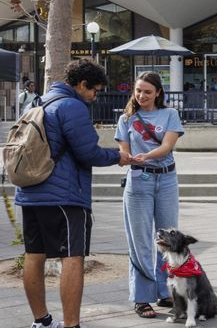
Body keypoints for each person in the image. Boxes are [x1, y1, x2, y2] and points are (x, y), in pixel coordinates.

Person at [16, 59, 131, 328]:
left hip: (31, 191)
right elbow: (88, 153)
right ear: (82, 85)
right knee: (72, 257)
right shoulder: (72, 106)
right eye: (94, 90)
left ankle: (41, 321)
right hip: (63, 196)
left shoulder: (39, 102)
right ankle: (71, 324)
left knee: (34, 255)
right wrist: (118, 156)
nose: (95, 96)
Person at [115, 72, 184, 319]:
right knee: (141, 241)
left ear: (158, 93)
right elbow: (123, 149)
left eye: (147, 91)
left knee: (167, 239)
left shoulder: (170, 114)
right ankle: (142, 298)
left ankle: (165, 290)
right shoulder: (126, 118)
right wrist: (125, 158)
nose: (141, 95)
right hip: (138, 182)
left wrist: (147, 155)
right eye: (138, 91)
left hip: (166, 179)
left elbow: (167, 146)